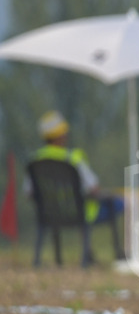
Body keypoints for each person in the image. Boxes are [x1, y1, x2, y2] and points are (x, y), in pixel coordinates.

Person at [29, 110, 124, 264]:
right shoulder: (73, 158)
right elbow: (94, 188)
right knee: (119, 203)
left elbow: (29, 192)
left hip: (48, 216)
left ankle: (42, 260)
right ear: (60, 135)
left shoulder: (34, 161)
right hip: (81, 215)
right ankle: (118, 255)